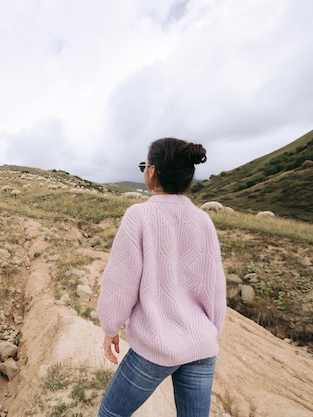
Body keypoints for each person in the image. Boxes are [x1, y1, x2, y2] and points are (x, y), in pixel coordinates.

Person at [97, 137, 227, 417]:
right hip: (202, 346)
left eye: (144, 165)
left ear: (152, 171)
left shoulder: (139, 215)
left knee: (111, 414)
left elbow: (121, 281)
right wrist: (211, 331)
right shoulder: (203, 220)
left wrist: (111, 327)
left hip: (155, 347)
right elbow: (214, 285)